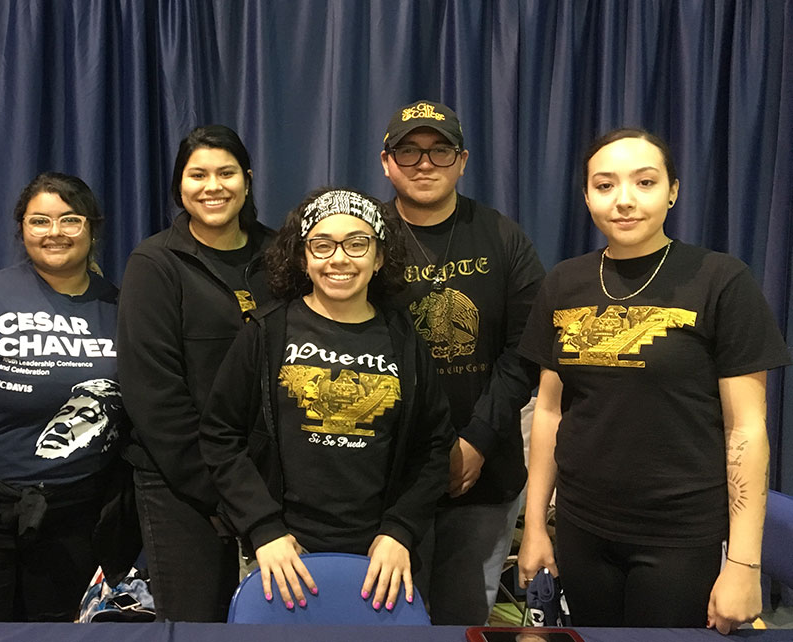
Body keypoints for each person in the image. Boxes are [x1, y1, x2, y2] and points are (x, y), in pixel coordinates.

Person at [516, 128, 790, 632]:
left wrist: (745, 564)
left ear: (673, 191)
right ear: (586, 195)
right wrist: (535, 525)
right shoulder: (565, 282)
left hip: (680, 535)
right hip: (582, 527)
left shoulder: (721, 280)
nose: (624, 201)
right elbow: (551, 412)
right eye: (605, 185)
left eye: (644, 182)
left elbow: (746, 430)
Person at [199, 188, 455, 611]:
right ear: (303, 257)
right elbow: (220, 437)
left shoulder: (404, 338)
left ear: (378, 257)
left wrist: (400, 530)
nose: (339, 258)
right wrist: (263, 528)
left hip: (381, 554)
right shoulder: (266, 333)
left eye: (357, 243)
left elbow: (432, 445)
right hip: (284, 550)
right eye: (322, 245)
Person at [379, 100, 546, 624]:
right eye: (409, 151)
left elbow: (525, 351)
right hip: (387, 473)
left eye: (440, 150)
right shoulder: (363, 238)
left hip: (482, 473)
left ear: (463, 160)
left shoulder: (503, 237)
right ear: (387, 162)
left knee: (463, 617)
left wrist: (475, 439)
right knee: (385, 618)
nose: (424, 163)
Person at [0, 172, 126, 621]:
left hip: (77, 520)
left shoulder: (121, 307)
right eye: (39, 221)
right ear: (21, 228)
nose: (54, 233)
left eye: (70, 220)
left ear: (92, 228)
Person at [118, 125, 276, 621]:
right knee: (195, 624)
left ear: (247, 180)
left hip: (272, 482)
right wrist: (221, 489)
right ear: (179, 186)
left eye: (226, 173)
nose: (213, 186)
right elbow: (153, 395)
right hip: (183, 485)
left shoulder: (282, 254)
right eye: (198, 174)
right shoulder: (155, 262)